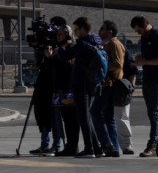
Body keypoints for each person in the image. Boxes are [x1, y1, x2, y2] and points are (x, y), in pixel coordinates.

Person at [52, 16, 103, 158]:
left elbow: (64, 56)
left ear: (82, 29)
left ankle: (89, 150)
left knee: (83, 118)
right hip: (93, 83)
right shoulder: (97, 40)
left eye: (76, 30)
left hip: (82, 84)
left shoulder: (82, 44)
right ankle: (97, 149)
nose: (75, 33)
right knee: (87, 117)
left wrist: (60, 49)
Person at [131, 15, 158, 158]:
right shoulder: (144, 39)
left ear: (146, 24)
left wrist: (145, 62)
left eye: (139, 30)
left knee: (154, 114)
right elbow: (148, 57)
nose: (138, 33)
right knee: (155, 114)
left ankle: (152, 146)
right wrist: (141, 59)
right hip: (148, 79)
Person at [91, 20, 124, 158]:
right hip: (106, 84)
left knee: (95, 111)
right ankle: (114, 148)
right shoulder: (107, 44)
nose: (100, 30)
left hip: (109, 84)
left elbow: (117, 64)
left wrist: (101, 65)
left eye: (103, 28)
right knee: (108, 117)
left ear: (110, 31)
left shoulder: (115, 44)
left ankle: (106, 143)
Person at [51, 23, 80, 156]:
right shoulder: (59, 49)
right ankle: (69, 145)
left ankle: (72, 146)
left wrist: (60, 53)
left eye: (61, 34)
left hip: (69, 89)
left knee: (71, 119)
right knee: (65, 118)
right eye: (57, 34)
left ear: (67, 34)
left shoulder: (71, 48)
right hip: (60, 88)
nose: (58, 36)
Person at [115, 44, 138, 154]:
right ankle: (107, 144)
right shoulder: (101, 47)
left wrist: (130, 88)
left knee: (122, 117)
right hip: (105, 87)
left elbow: (132, 70)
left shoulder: (122, 49)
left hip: (120, 88)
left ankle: (126, 145)